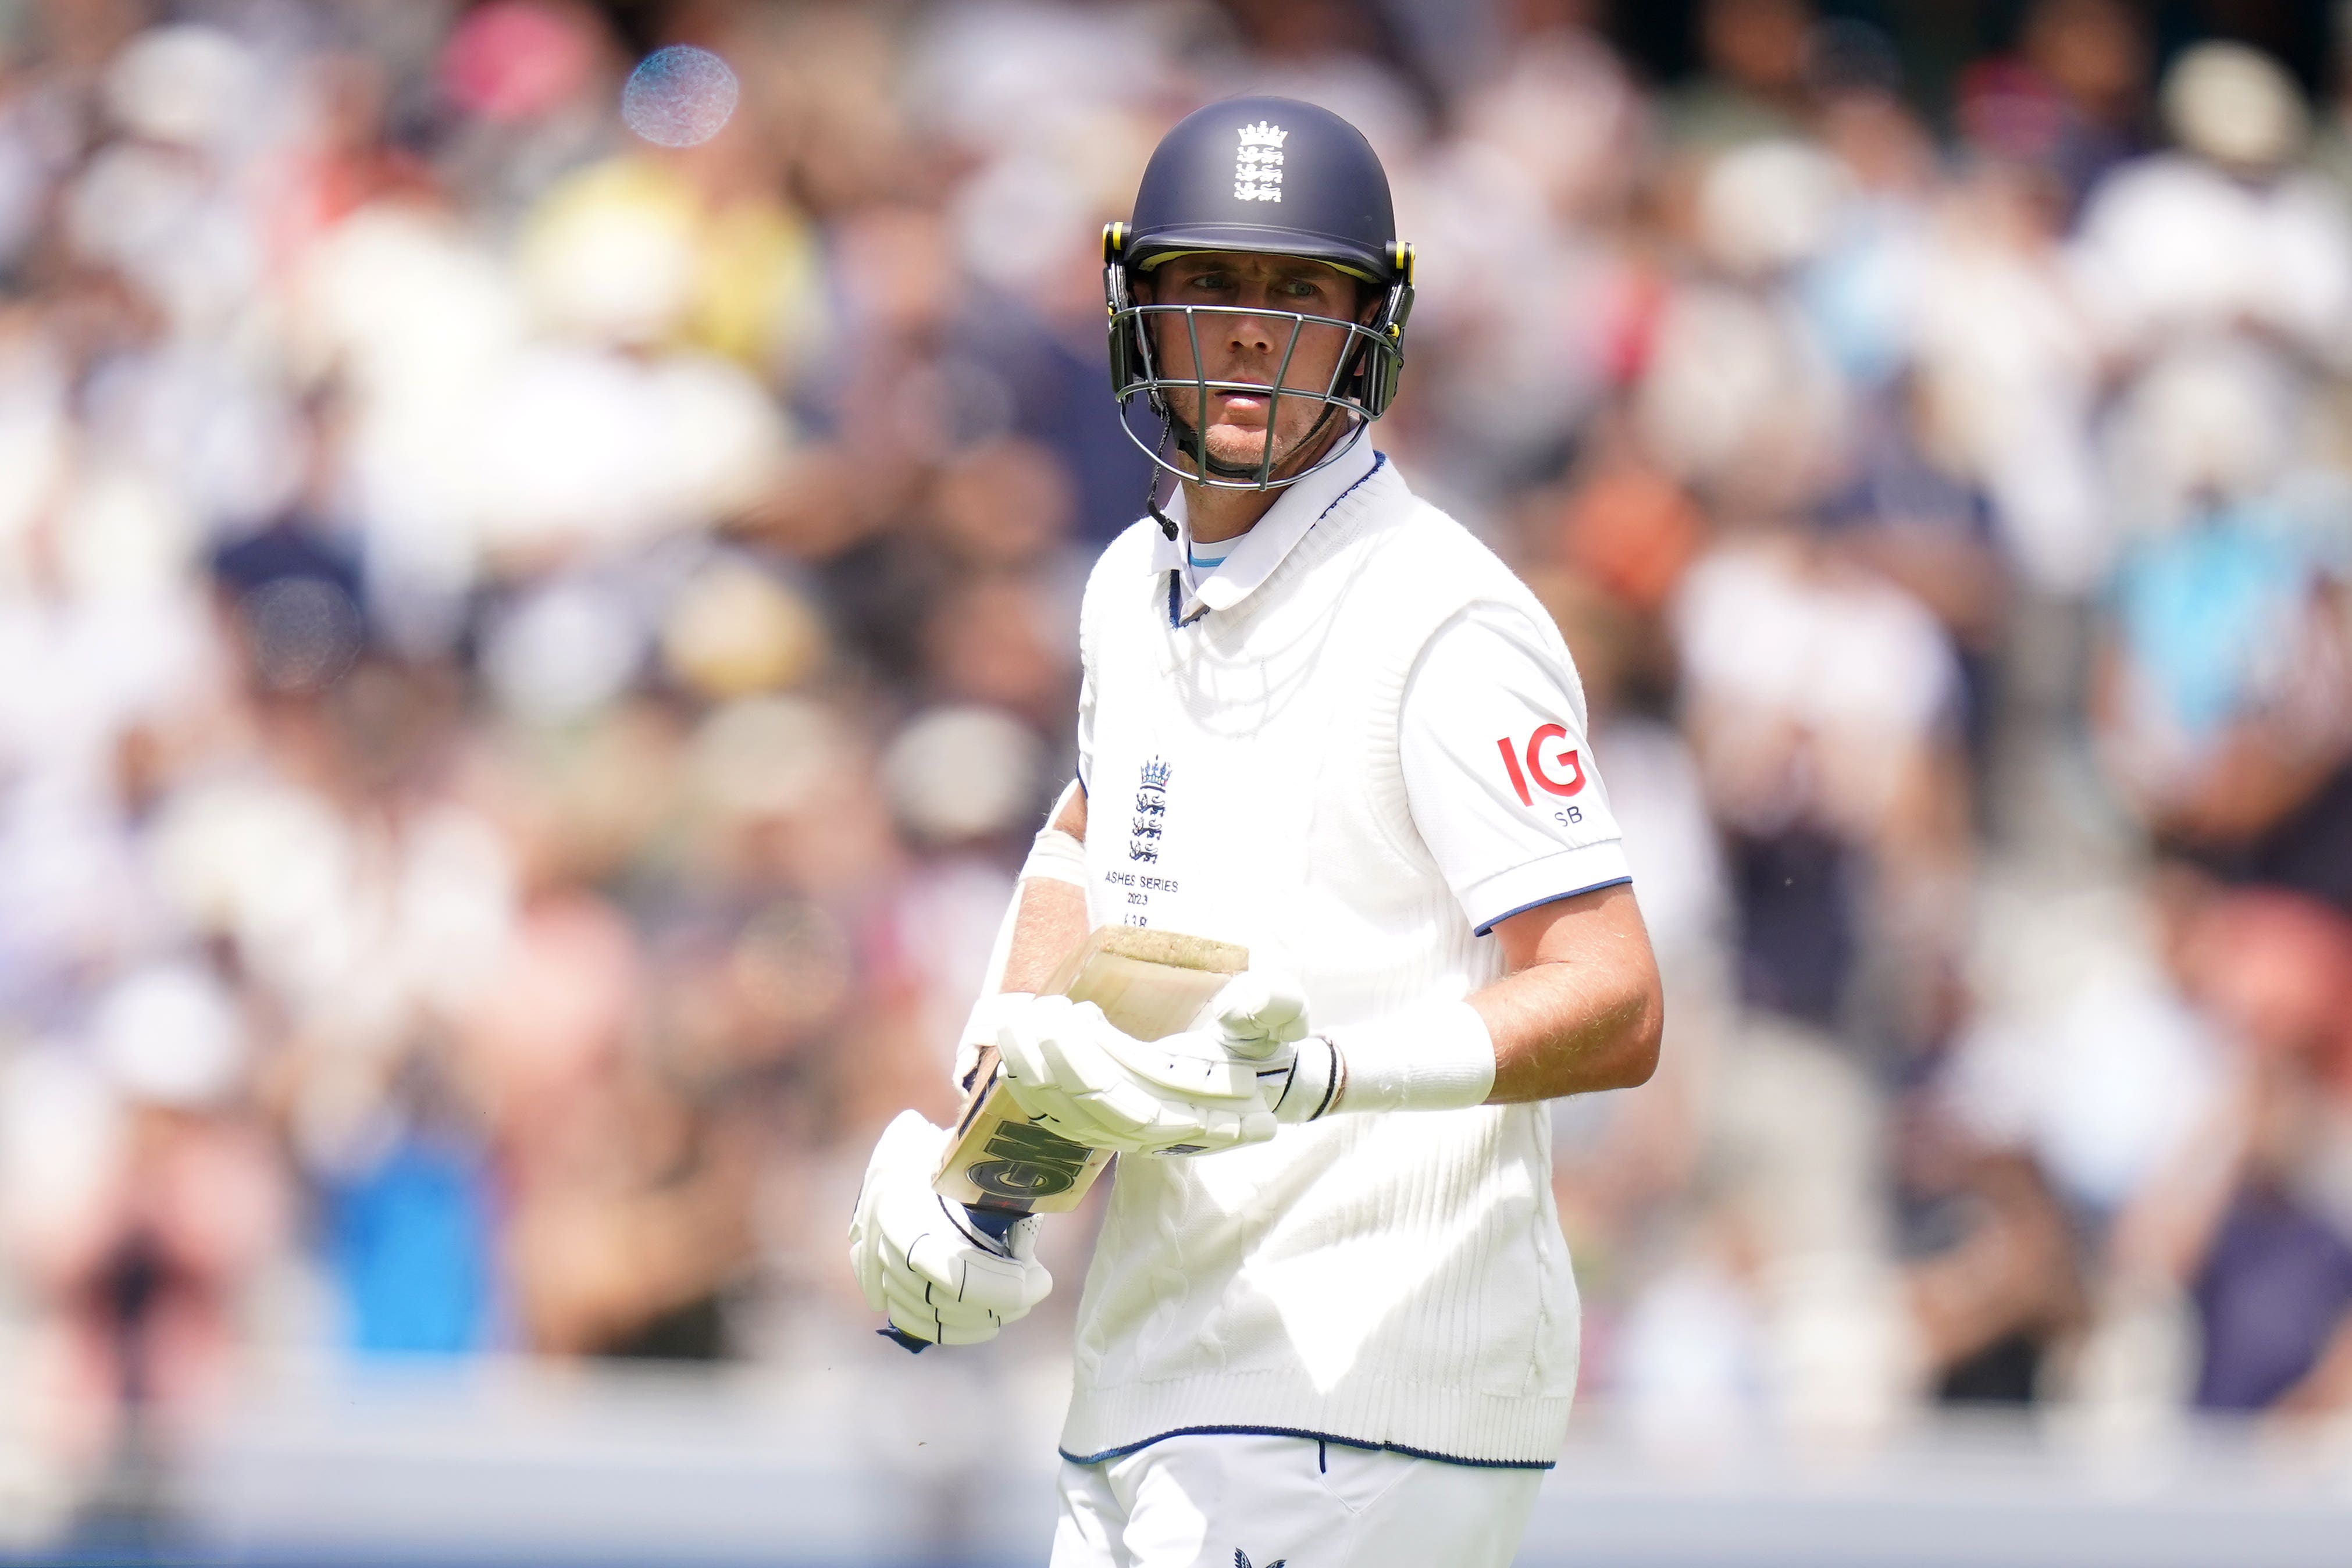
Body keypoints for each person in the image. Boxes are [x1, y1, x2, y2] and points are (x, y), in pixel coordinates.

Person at [848, 97, 1664, 1568]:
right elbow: (1095, 849)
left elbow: (1613, 994)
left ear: (1376, 322)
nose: (1252, 335)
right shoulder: (1128, 589)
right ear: (1139, 305)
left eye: (1301, 294)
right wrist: (987, 1169)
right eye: (1213, 286)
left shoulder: (1444, 614)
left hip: (1370, 1399)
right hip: (1156, 1381)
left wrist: (1332, 1076)